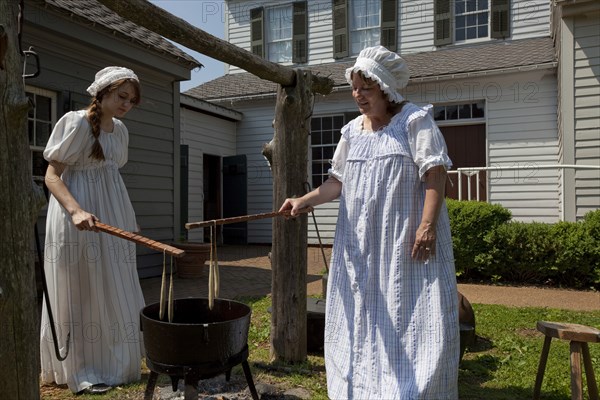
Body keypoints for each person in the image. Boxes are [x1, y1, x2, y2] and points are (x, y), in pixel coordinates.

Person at [279, 46, 460, 399]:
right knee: (363, 311)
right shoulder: (351, 133)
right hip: (360, 243)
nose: (358, 95)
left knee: (411, 311)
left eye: (366, 88)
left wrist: (427, 226)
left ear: (385, 89)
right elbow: (336, 183)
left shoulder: (414, 121)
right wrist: (303, 201)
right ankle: (364, 387)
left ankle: (412, 389)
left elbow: (435, 176)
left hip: (405, 240)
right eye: (355, 87)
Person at [40, 66, 145, 395]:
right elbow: (51, 176)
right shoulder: (76, 123)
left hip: (112, 219)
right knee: (82, 288)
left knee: (115, 284)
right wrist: (75, 210)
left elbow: (112, 179)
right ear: (101, 92)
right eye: (121, 96)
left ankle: (117, 362)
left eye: (131, 100)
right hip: (78, 218)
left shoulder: (121, 132)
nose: (126, 104)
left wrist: (127, 217)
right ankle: (83, 367)